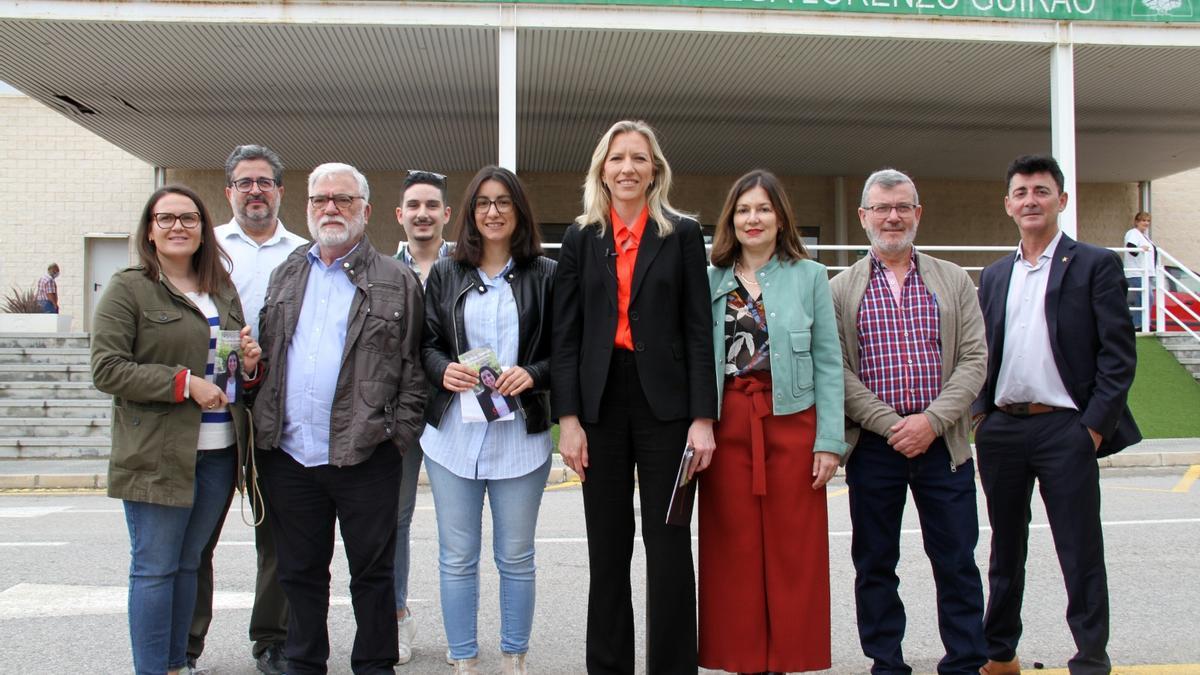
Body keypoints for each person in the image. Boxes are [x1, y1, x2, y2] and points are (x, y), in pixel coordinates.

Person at [551, 119, 717, 675]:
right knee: (608, 546)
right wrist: (568, 420)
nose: (627, 167)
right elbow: (565, 335)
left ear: (655, 171)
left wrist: (703, 419)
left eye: (639, 159)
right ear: (603, 168)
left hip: (667, 409)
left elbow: (699, 330)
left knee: (668, 547)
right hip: (599, 406)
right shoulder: (580, 237)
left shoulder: (683, 234)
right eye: (617, 158)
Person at [252, 162, 427, 675]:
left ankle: (375, 665)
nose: (331, 208)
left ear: (366, 211)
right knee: (300, 573)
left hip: (367, 455)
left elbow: (415, 368)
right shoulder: (287, 271)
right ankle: (305, 664)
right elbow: (269, 352)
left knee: (372, 575)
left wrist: (398, 436)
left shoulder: (397, 279)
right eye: (320, 199)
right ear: (306, 207)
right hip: (290, 455)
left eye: (343, 200)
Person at [974, 155, 1141, 675]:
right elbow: (982, 351)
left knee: (1079, 549)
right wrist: (981, 415)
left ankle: (1090, 658)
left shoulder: (1094, 264)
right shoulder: (996, 275)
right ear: (1008, 205)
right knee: (1005, 550)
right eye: (1021, 192)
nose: (1030, 200)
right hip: (1002, 430)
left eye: (1041, 191)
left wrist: (1091, 428)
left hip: (1065, 429)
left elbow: (1119, 354)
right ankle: (999, 652)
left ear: (1061, 201)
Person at [90, 185, 262, 675]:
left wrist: (248, 366)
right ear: (149, 229)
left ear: (204, 229)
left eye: (188, 218)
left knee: (190, 564)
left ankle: (175, 664)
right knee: (154, 568)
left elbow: (232, 368)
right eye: (166, 219)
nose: (178, 227)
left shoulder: (221, 288)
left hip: (219, 449)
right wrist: (184, 384)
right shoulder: (130, 287)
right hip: (157, 452)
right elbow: (107, 369)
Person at [830, 169, 989, 674]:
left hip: (944, 446)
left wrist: (931, 422)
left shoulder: (954, 279)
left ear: (918, 213)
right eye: (881, 207)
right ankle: (887, 663)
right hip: (876, 449)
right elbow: (837, 369)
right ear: (863, 217)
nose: (892, 216)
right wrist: (890, 423)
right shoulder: (839, 289)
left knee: (957, 562)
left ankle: (964, 661)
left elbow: (974, 361)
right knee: (875, 564)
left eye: (902, 207)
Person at [700, 170, 846, 674]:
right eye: (743, 210)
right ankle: (741, 659)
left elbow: (829, 362)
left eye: (763, 208)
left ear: (780, 216)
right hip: (727, 426)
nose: (753, 218)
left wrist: (829, 441)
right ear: (731, 220)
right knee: (732, 548)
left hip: (792, 423)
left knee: (794, 550)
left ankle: (788, 659)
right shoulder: (710, 277)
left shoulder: (809, 275)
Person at [420, 166, 556, 675]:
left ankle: (514, 656)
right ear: (471, 213)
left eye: (503, 202)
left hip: (520, 436)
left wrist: (533, 374)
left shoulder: (545, 274)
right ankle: (463, 660)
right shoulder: (447, 272)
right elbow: (426, 344)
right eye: (483, 203)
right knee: (457, 557)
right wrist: (443, 369)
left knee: (516, 556)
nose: (493, 212)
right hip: (454, 436)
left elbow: (562, 351)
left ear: (519, 210)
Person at [191, 144, 305, 675]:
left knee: (277, 538)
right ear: (229, 191)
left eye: (264, 182)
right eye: (244, 182)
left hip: (277, 404)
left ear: (281, 191)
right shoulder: (201, 244)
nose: (254, 190)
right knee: (197, 537)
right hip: (210, 405)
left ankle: (271, 640)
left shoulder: (304, 252)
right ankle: (185, 645)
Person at [392, 169, 454, 664]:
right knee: (395, 520)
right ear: (400, 215)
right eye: (414, 205)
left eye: (431, 205)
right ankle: (396, 617)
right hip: (399, 415)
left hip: (456, 411)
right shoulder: (380, 269)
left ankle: (462, 629)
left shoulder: (467, 265)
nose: (422, 214)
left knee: (460, 530)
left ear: (446, 214)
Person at [1123, 211, 1155, 329]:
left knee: (1143, 299)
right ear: (1137, 222)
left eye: (1148, 221)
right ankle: (1139, 325)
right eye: (1143, 220)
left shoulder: (1143, 236)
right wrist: (1140, 249)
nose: (1146, 223)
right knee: (1145, 298)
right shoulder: (1133, 233)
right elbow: (1130, 248)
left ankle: (1142, 324)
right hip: (1137, 272)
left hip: (1145, 273)